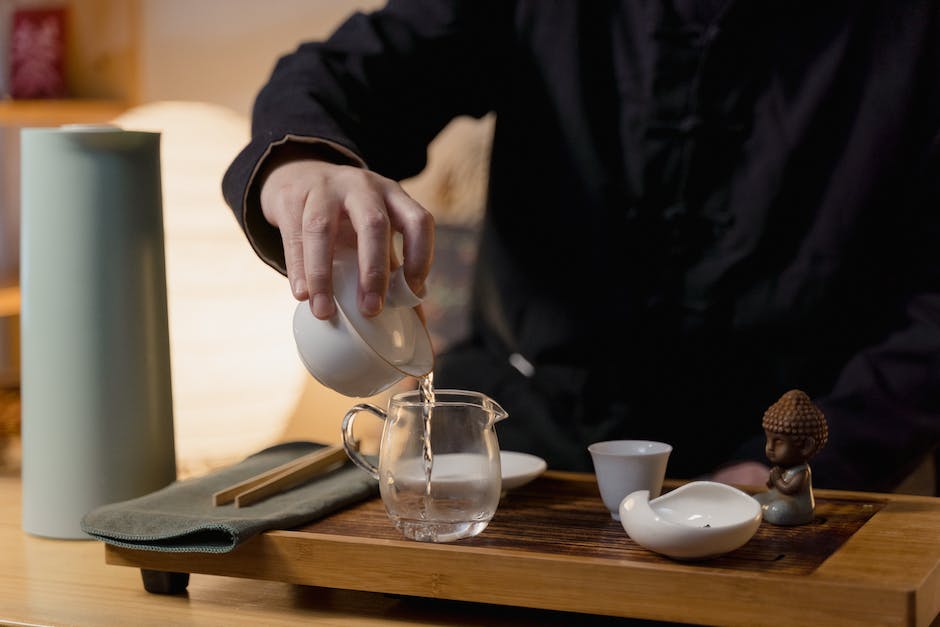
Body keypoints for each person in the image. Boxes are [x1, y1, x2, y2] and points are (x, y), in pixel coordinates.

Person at [222, 0, 940, 493]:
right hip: (524, 449)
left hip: (791, 469)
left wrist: (807, 459)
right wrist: (302, 163)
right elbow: (354, 70)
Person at [754, 390, 828, 525]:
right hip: (778, 498)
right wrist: (771, 482)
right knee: (755, 500)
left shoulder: (802, 471)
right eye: (768, 439)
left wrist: (776, 478)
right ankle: (763, 510)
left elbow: (789, 489)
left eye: (779, 442)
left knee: (779, 511)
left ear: (806, 447)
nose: (770, 447)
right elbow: (772, 487)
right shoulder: (780, 468)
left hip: (796, 506)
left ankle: (766, 512)